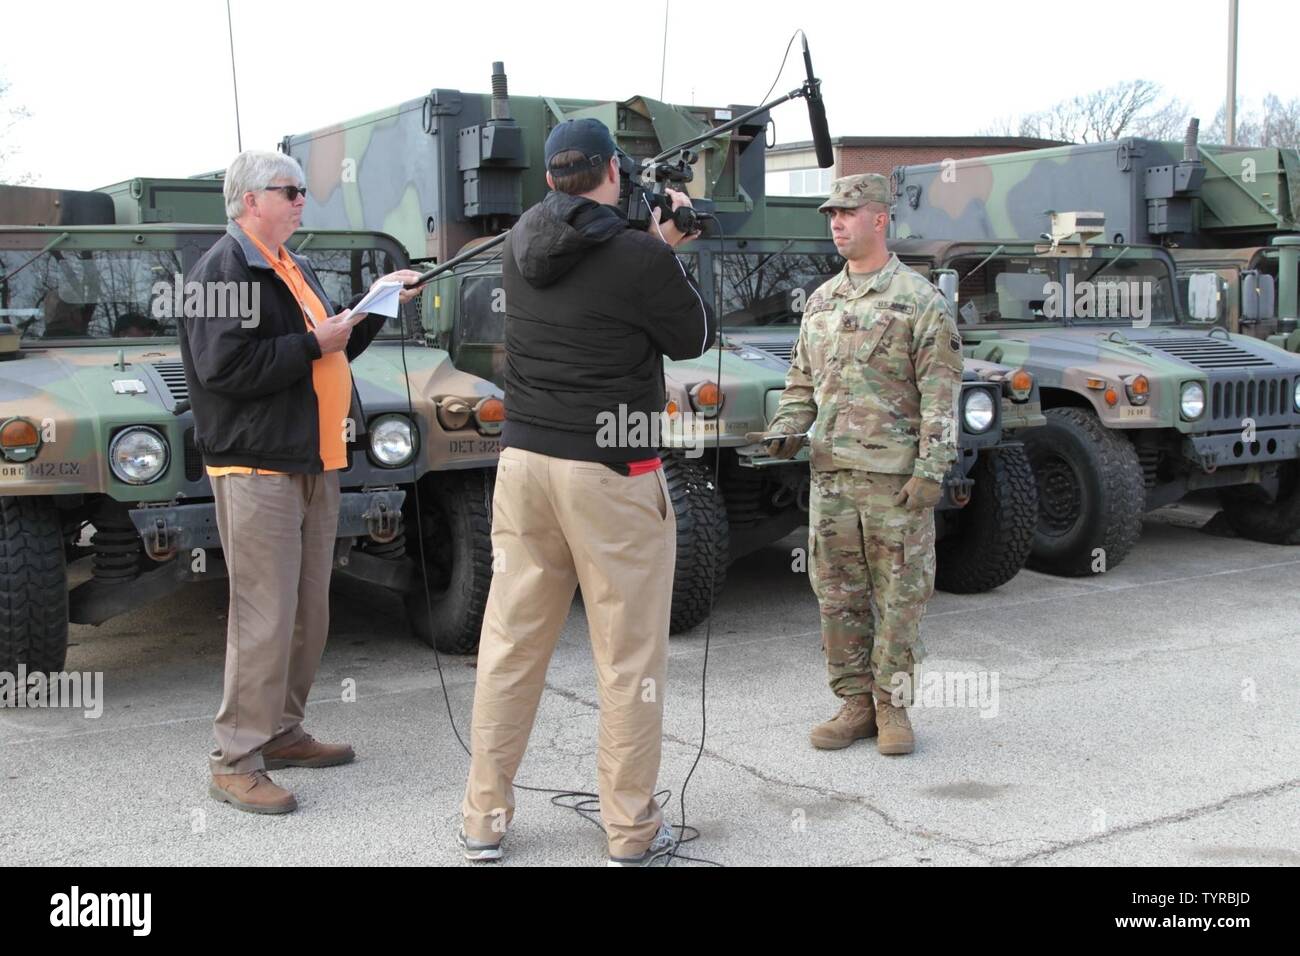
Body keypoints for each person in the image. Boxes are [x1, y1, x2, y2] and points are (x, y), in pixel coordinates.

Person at [459, 119, 717, 865]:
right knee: (628, 657)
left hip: (525, 464)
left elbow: (581, 243)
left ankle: (483, 818)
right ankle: (631, 830)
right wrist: (667, 246)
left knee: (510, 646)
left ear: (549, 179)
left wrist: (637, 230)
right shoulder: (639, 254)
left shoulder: (517, 241)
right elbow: (694, 334)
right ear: (612, 169)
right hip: (613, 469)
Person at [179, 150, 421, 813]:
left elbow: (329, 341)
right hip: (259, 468)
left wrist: (374, 309)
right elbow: (224, 368)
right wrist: (318, 342)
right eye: (290, 191)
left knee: (307, 612)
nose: (301, 200)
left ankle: (282, 730)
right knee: (264, 616)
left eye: (301, 190)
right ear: (249, 200)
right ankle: (235, 759)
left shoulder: (293, 266)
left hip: (314, 461)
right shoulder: (221, 272)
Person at [765, 173, 962, 756]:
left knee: (900, 595)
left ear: (880, 219)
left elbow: (941, 394)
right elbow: (802, 381)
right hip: (831, 478)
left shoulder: (919, 300)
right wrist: (785, 428)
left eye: (848, 214)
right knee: (837, 594)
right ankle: (853, 703)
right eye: (832, 215)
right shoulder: (822, 302)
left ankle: (892, 707)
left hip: (895, 482)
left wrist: (931, 471)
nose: (837, 224)